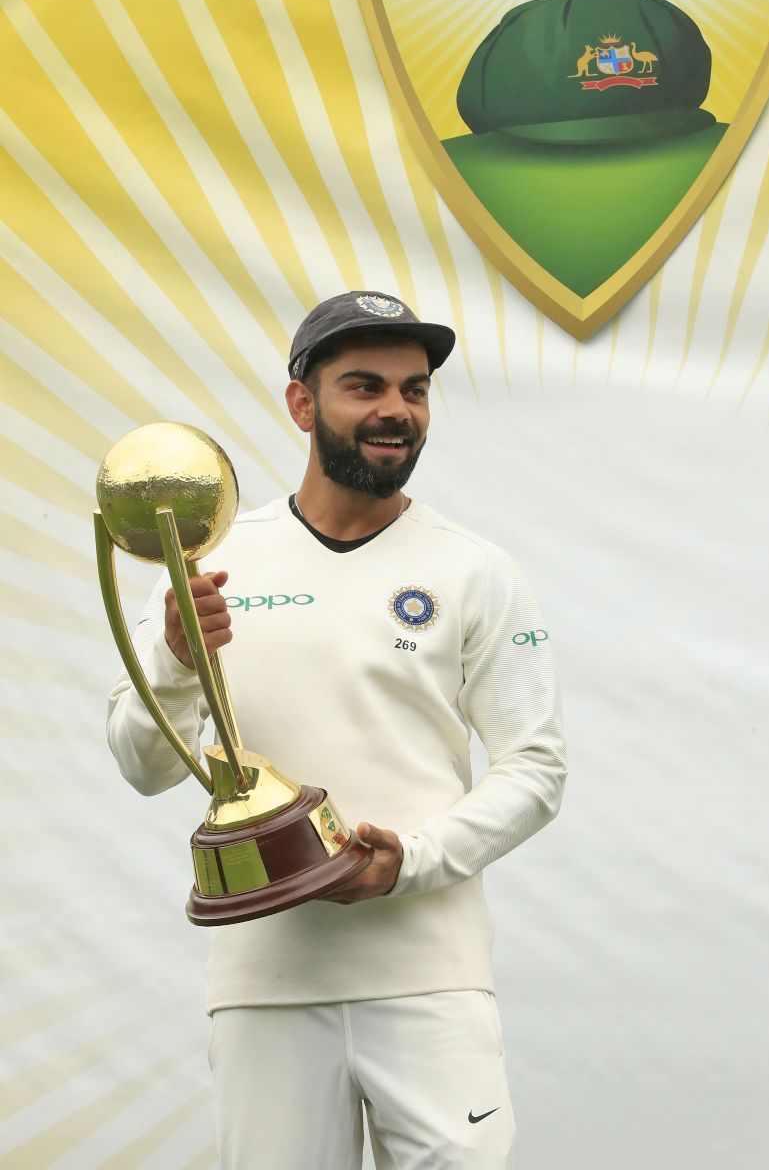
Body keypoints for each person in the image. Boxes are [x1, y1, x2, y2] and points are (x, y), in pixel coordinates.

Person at [107, 289, 567, 1169]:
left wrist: (413, 861)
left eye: (416, 388)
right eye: (365, 386)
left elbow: (537, 767)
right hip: (267, 987)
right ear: (302, 403)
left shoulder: (474, 569)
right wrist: (171, 656)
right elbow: (139, 763)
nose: (397, 409)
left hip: (430, 977)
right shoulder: (211, 561)